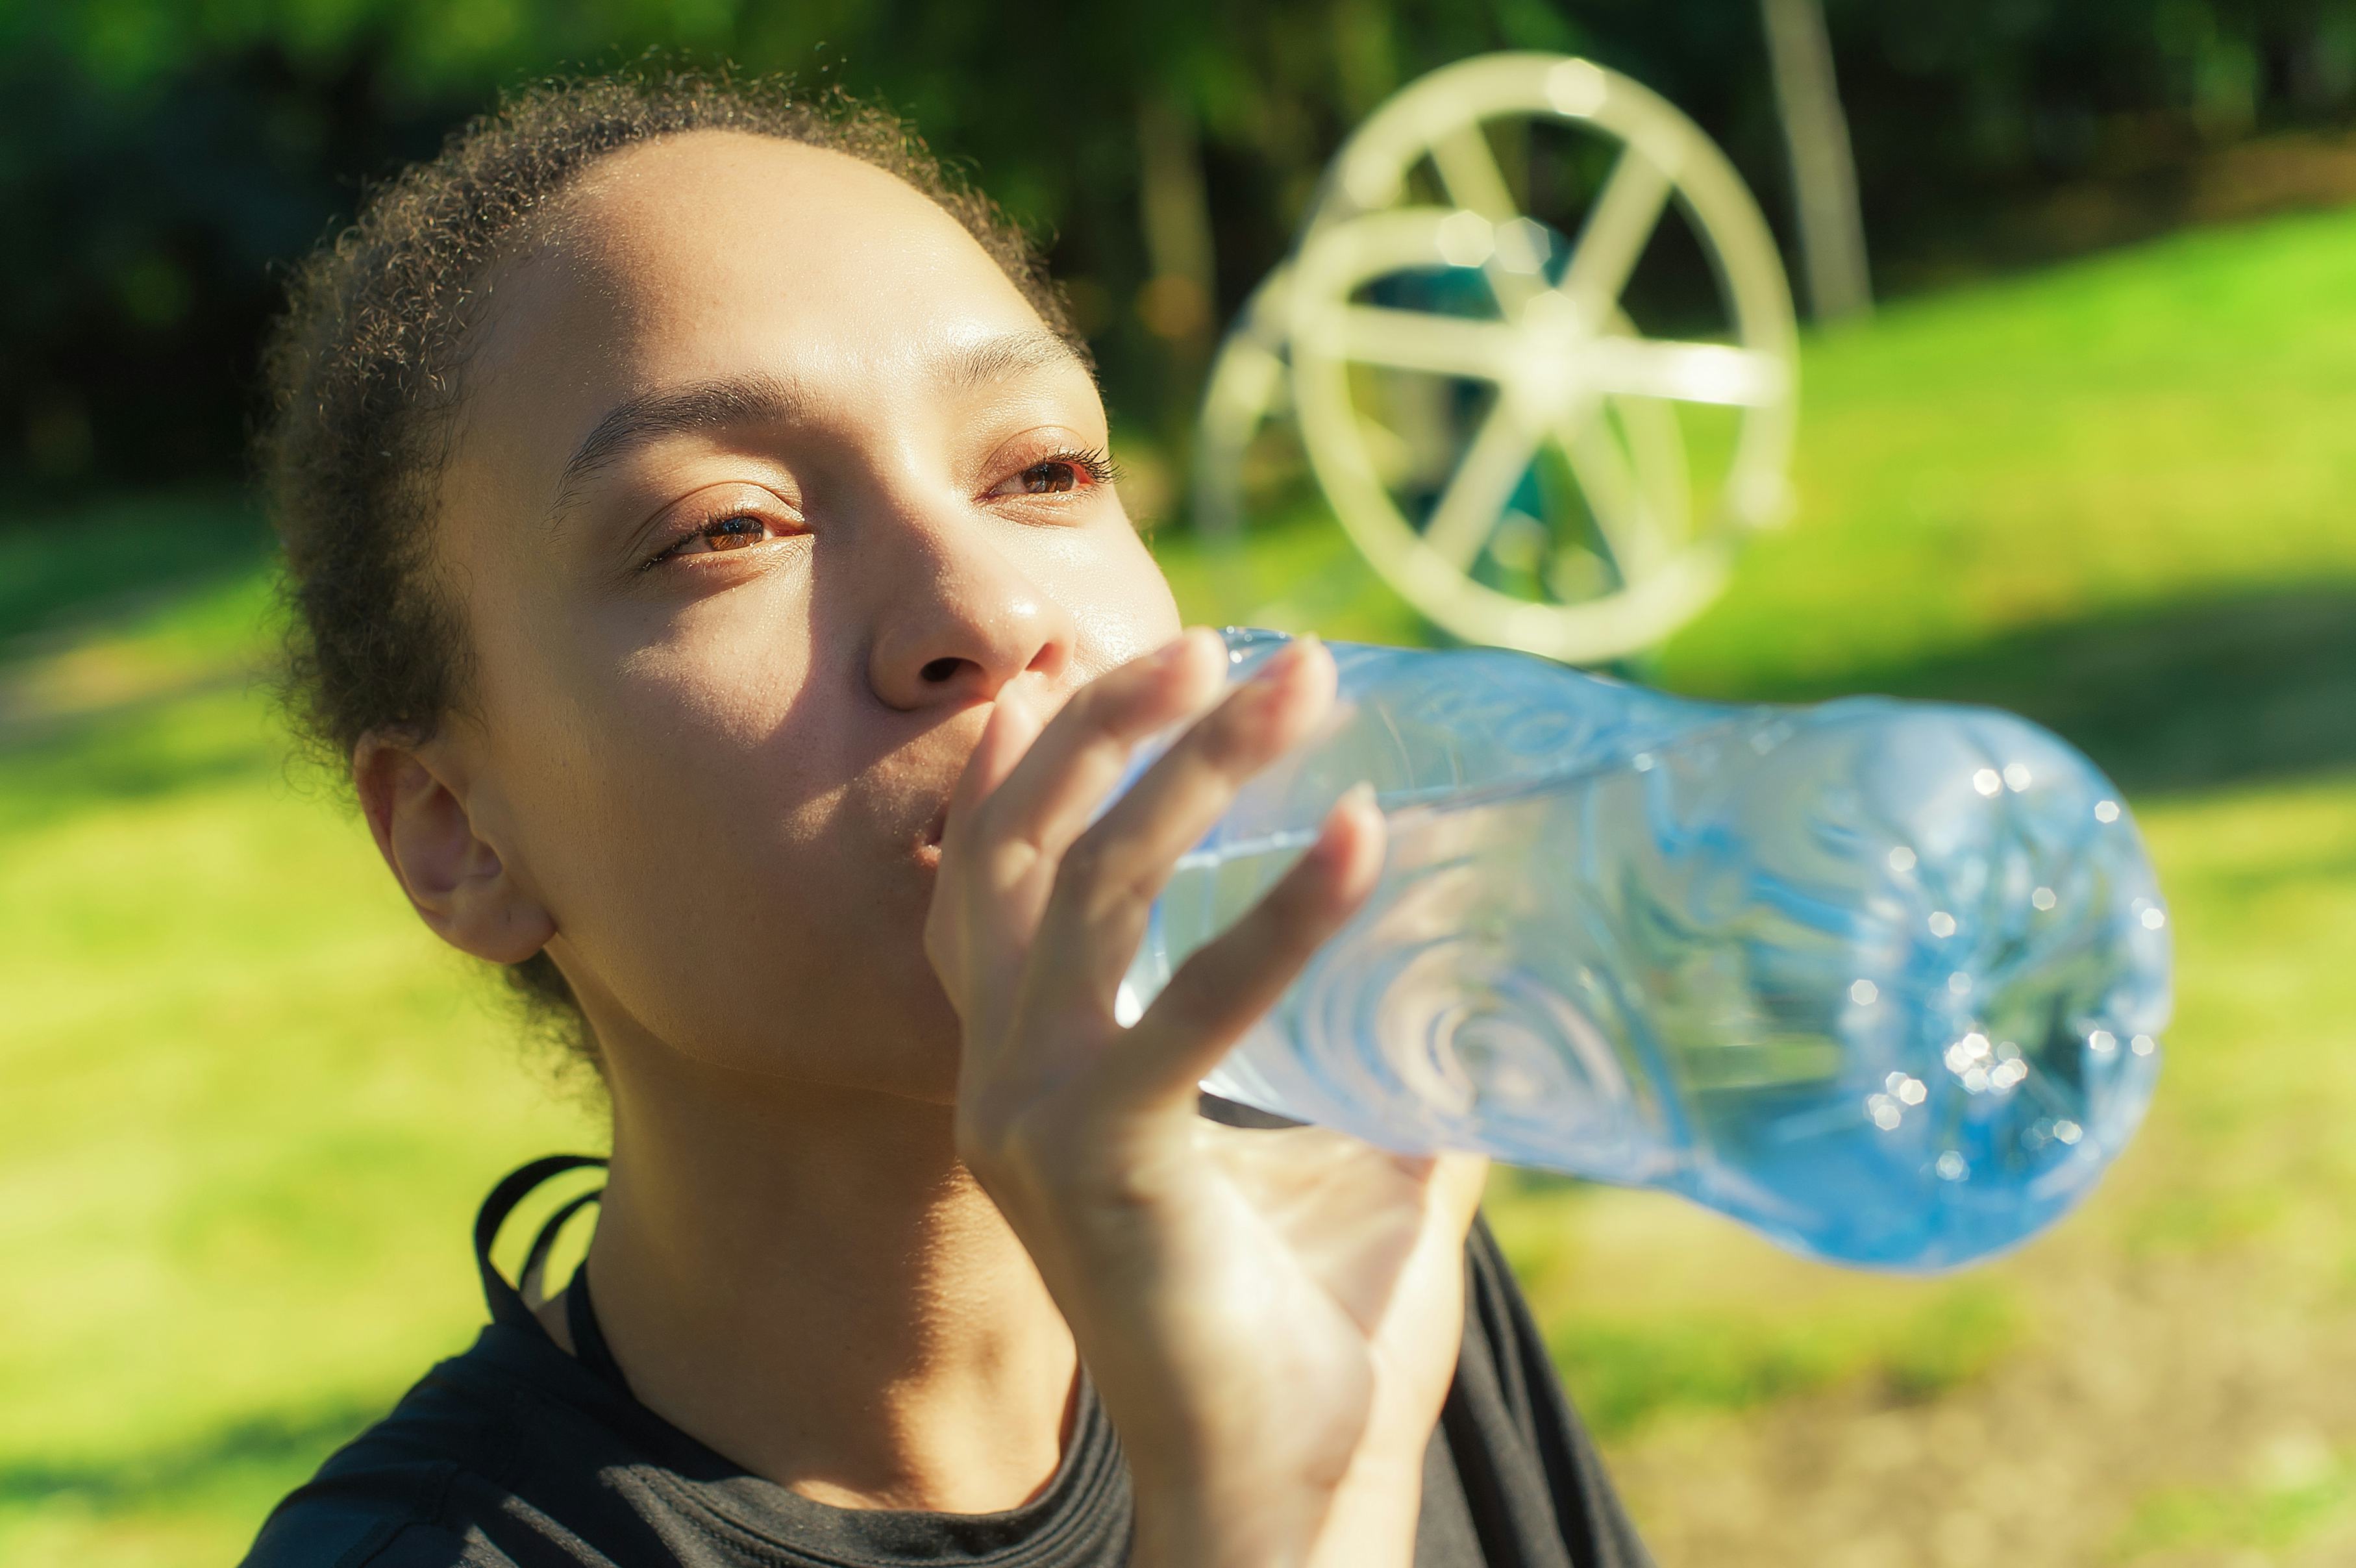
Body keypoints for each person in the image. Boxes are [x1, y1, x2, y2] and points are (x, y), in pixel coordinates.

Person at [241, 70, 1653, 1568]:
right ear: (458, 826)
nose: (987, 610)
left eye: (1043, 470)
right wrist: (1277, 1508)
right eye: (729, 526)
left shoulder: (1334, 1234)